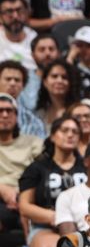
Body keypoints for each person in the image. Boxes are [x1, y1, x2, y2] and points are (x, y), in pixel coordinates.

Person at [18, 116, 86, 247]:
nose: (70, 135)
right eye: (64, 130)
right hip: (45, 227)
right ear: (53, 136)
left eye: (75, 132)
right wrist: (56, 217)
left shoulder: (87, 166)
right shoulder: (37, 167)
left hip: (83, 227)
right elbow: (24, 206)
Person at [0, 93, 44, 233]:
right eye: (0, 111)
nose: (5, 115)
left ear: (16, 115)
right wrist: (2, 189)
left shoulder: (33, 142)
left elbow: (45, 170)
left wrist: (23, 195)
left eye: (9, 111)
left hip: (28, 194)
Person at [0, 0, 36, 73]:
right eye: (9, 11)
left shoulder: (36, 40)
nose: (15, 16)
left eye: (19, 10)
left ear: (27, 13)